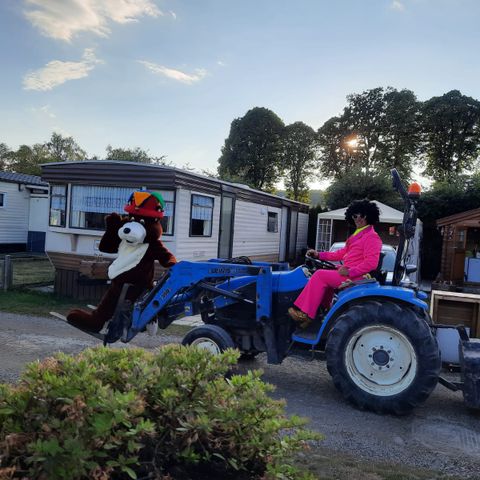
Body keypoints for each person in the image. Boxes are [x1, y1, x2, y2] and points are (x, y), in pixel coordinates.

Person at [288, 199, 382, 327]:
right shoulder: (358, 235)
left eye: (361, 215)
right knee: (325, 276)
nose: (357, 219)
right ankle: (325, 311)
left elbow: (371, 263)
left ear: (368, 216)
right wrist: (319, 255)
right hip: (347, 272)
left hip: (355, 276)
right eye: (354, 216)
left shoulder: (371, 237)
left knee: (319, 275)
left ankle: (306, 314)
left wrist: (350, 271)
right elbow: (341, 253)